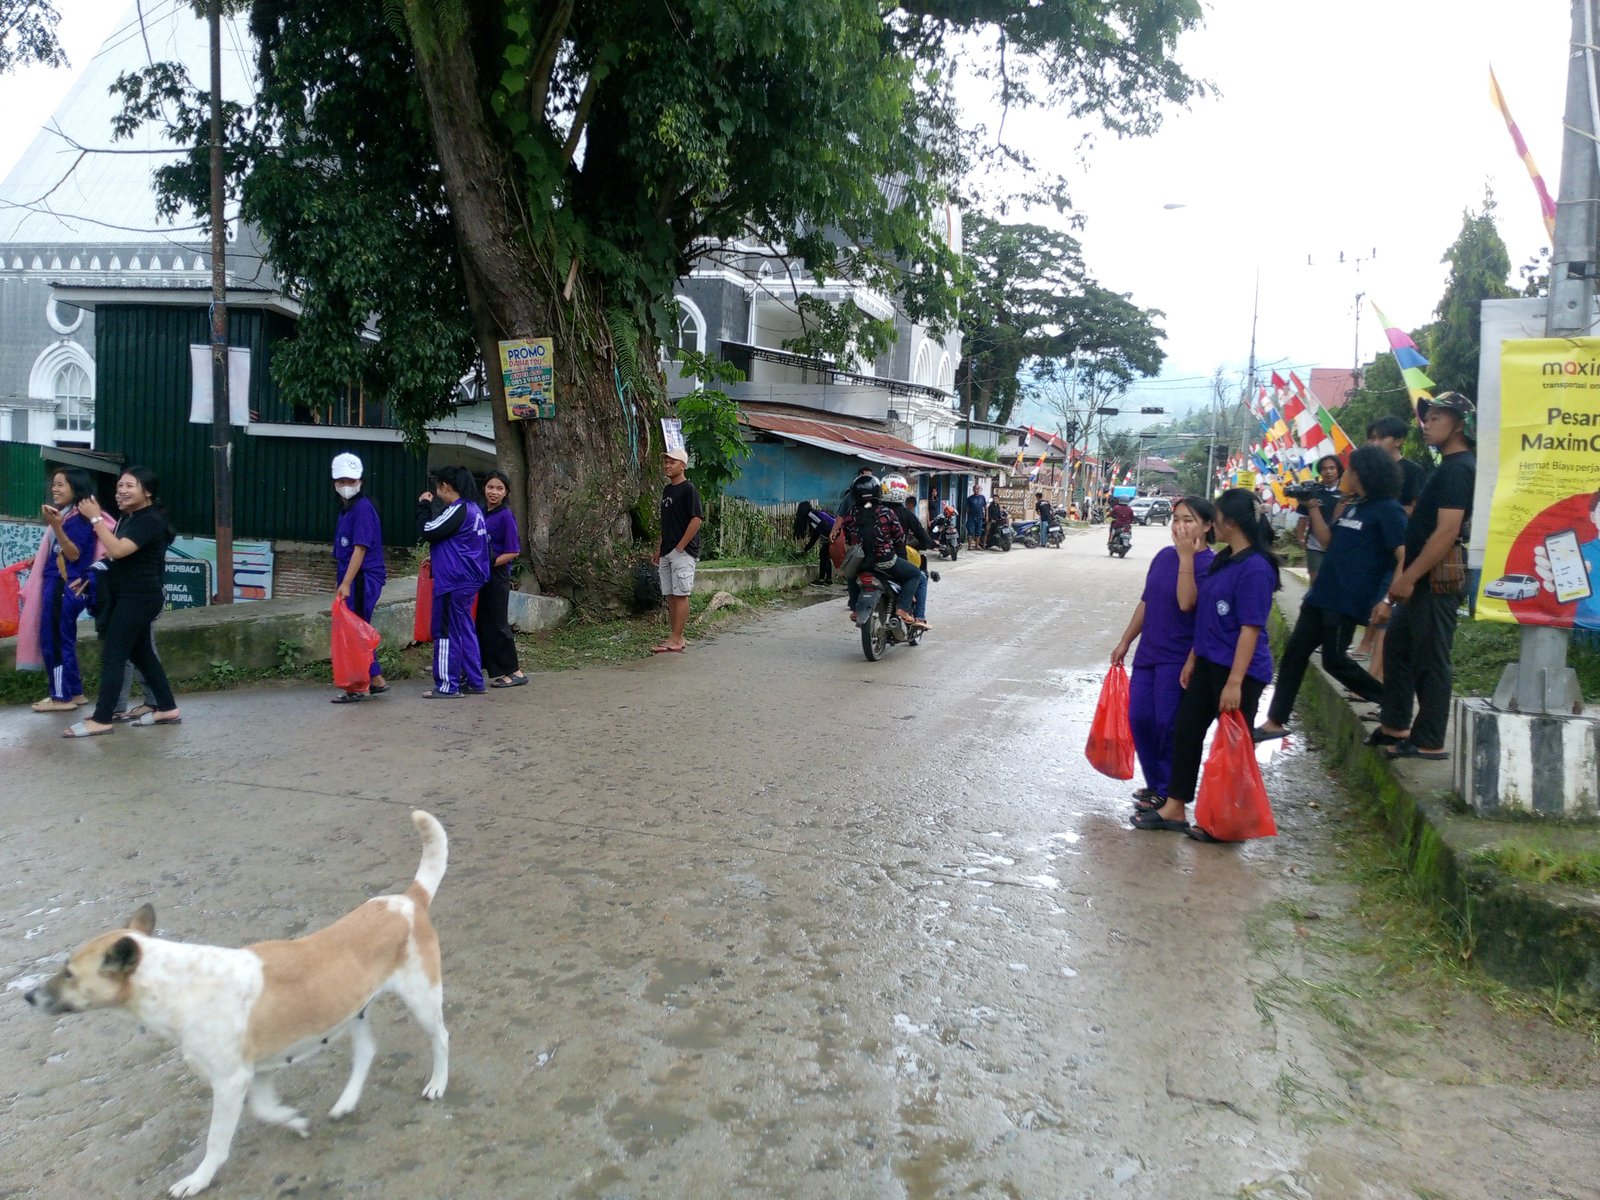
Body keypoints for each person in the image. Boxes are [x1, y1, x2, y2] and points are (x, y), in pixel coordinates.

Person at [1134, 488, 1279, 836]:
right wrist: (1194, 658)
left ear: (1230, 522)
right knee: (1186, 732)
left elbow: (1250, 629)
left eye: (1214, 517)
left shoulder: (1256, 568)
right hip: (1208, 661)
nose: (1212, 524)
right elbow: (1206, 618)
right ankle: (1175, 807)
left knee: (1231, 747)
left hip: (1240, 671)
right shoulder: (1224, 559)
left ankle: (1228, 821)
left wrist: (1234, 683)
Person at [1254, 446, 1407, 743]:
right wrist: (1312, 506)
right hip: (1321, 595)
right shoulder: (1354, 506)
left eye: (1349, 470)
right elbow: (1327, 541)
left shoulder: (1389, 510)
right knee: (1294, 655)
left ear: (1363, 474)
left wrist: (1388, 600)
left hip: (1347, 600)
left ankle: (1392, 703)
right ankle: (1275, 721)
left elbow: (1404, 556)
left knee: (1334, 661)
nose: (1344, 474)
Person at [1371, 392, 1476, 761]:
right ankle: (1396, 725)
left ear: (1459, 424)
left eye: (1435, 418)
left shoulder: (1460, 468)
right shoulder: (1447, 466)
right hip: (1423, 578)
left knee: (1432, 657)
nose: (1426, 424)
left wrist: (1408, 577)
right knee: (1399, 648)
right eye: (1426, 418)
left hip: (1436, 579)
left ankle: (1430, 740)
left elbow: (1447, 531)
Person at [1111, 496, 1217, 811]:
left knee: (1167, 725)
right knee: (1140, 718)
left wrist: (1187, 557)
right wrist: (1126, 640)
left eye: (1189, 520)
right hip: (1149, 654)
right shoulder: (1162, 557)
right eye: (1177, 519)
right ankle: (1157, 784)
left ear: (1208, 526)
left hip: (1179, 658)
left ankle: (1169, 792)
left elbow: (1187, 603)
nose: (1180, 527)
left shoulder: (1209, 565)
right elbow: (1147, 601)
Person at [63, 467, 182, 738]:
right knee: (142, 654)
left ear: (148, 491)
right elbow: (116, 557)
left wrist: (95, 519)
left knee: (113, 654)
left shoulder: (149, 519)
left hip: (140, 597)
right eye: (119, 487)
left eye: (130, 486)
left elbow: (117, 549)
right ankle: (167, 708)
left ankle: (103, 718)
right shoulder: (130, 518)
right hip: (129, 594)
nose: (121, 492)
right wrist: (91, 572)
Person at [1353, 416, 1426, 671]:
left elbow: (1415, 509)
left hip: (1398, 548)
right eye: (1371, 438)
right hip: (1372, 549)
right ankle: (1367, 655)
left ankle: (1374, 676)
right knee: (1374, 607)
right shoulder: (1367, 472)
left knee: (1386, 609)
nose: (1373, 443)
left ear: (1399, 441)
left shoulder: (1412, 470)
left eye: (1379, 437)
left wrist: (1385, 512)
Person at [417, 465, 490, 697]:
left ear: (445, 486)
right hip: (470, 578)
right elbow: (458, 542)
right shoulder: (475, 510)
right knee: (465, 628)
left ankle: (447, 685)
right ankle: (474, 680)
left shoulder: (458, 509)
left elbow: (428, 530)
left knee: (446, 630)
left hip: (454, 580)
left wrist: (423, 505)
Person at [29, 469, 98, 712]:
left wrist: (56, 527)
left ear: (75, 488)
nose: (54, 489)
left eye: (60, 485)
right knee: (63, 638)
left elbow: (74, 554)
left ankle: (61, 696)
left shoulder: (75, 519)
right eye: (54, 484)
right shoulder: (70, 516)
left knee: (54, 640)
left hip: (62, 586)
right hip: (62, 585)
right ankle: (75, 692)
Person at [330, 452, 390, 703]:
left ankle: (358, 684)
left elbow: (360, 549)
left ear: (361, 482)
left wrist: (346, 583)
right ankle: (374, 679)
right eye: (342, 480)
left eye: (351, 481)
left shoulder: (362, 509)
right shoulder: (348, 509)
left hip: (362, 577)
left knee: (356, 630)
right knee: (357, 628)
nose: (346, 486)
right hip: (353, 575)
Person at [478, 469, 527, 687]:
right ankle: (482, 667)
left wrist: (489, 563)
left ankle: (514, 671)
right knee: (482, 623)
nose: (494, 492)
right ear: (484, 488)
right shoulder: (480, 513)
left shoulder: (505, 515)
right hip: (480, 576)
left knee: (498, 623)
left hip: (497, 576)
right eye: (490, 487)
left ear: (506, 492)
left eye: (499, 488)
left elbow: (513, 551)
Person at [652, 447, 704, 653]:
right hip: (667, 550)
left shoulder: (688, 489)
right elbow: (667, 522)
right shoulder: (667, 490)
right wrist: (660, 548)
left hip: (682, 551)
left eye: (672, 462)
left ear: (682, 466)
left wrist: (681, 545)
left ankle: (677, 638)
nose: (667, 465)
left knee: (681, 593)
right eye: (665, 462)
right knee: (671, 594)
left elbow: (696, 519)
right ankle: (675, 636)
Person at [881, 474, 933, 628]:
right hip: (893, 559)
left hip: (868, 559)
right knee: (920, 577)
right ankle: (919, 617)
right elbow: (922, 536)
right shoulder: (904, 514)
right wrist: (931, 543)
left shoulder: (874, 511)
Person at [1295, 455, 1345, 582]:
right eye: (1324, 469)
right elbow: (1302, 517)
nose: (1328, 472)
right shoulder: (1312, 491)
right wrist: (1300, 537)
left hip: (1339, 545)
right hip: (1315, 545)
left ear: (1338, 470)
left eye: (1332, 468)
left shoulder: (1346, 492)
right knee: (1316, 580)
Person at [793, 500, 836, 585]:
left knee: (823, 554)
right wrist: (807, 548)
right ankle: (828, 580)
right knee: (825, 555)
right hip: (837, 533)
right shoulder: (817, 513)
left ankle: (821, 580)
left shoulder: (811, 515)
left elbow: (823, 524)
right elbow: (815, 536)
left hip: (834, 534)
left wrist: (830, 535)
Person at [964, 486, 987, 551]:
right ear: (973, 490)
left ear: (979, 489)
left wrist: (986, 516)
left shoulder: (982, 497)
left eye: (977, 489)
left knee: (978, 532)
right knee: (970, 531)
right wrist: (969, 515)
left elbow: (985, 507)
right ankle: (969, 546)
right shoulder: (969, 498)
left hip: (980, 517)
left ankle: (977, 546)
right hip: (971, 517)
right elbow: (967, 508)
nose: (976, 490)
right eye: (975, 489)